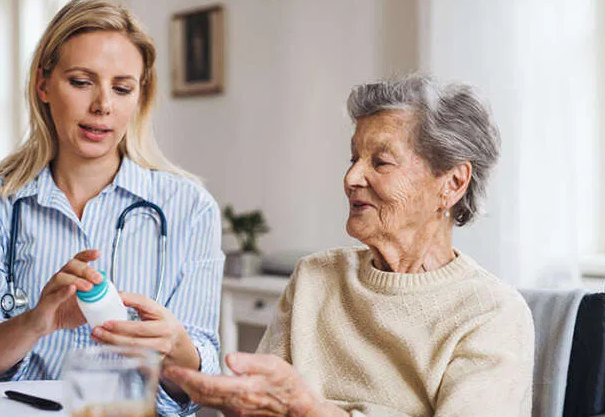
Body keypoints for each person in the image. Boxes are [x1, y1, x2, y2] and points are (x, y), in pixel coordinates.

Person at [163, 75, 535, 416]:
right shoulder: (315, 276)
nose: (352, 177)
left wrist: (311, 411)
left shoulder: (491, 313)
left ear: (452, 183)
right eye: (354, 158)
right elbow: (260, 404)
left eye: (381, 162)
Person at [0, 0, 224, 415]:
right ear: (43, 85)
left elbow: (201, 379)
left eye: (122, 88)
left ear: (140, 97)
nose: (103, 105)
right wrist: (38, 321)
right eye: (82, 81)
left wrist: (177, 347)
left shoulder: (190, 208)